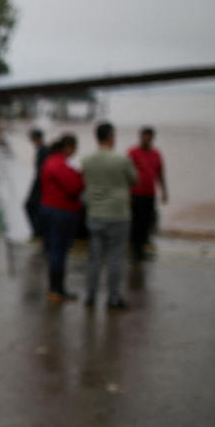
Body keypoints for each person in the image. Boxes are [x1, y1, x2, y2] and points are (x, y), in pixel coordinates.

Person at [81, 122, 137, 309]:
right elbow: (135, 180)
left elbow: (84, 181)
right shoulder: (121, 160)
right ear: (111, 136)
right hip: (118, 214)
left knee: (94, 258)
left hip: (95, 213)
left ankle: (90, 295)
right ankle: (113, 297)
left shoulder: (87, 160)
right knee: (115, 258)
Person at [39, 134, 83, 302]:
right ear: (68, 147)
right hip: (60, 212)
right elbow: (73, 187)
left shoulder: (51, 161)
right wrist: (81, 177)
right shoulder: (59, 163)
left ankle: (57, 288)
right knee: (59, 251)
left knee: (56, 251)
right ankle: (56, 289)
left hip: (51, 210)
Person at [127, 126, 168, 260]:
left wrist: (164, 191)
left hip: (150, 194)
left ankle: (143, 247)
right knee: (135, 222)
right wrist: (126, 194)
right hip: (135, 193)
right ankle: (134, 248)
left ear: (152, 138)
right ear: (140, 137)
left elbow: (160, 173)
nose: (146, 139)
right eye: (144, 136)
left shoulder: (156, 154)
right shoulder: (133, 152)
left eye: (148, 136)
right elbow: (125, 174)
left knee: (147, 221)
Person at [23, 128, 50, 240]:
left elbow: (42, 171)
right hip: (40, 184)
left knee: (30, 206)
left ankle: (38, 231)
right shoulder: (42, 150)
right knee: (33, 207)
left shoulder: (43, 151)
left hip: (41, 185)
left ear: (37, 139)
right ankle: (38, 231)